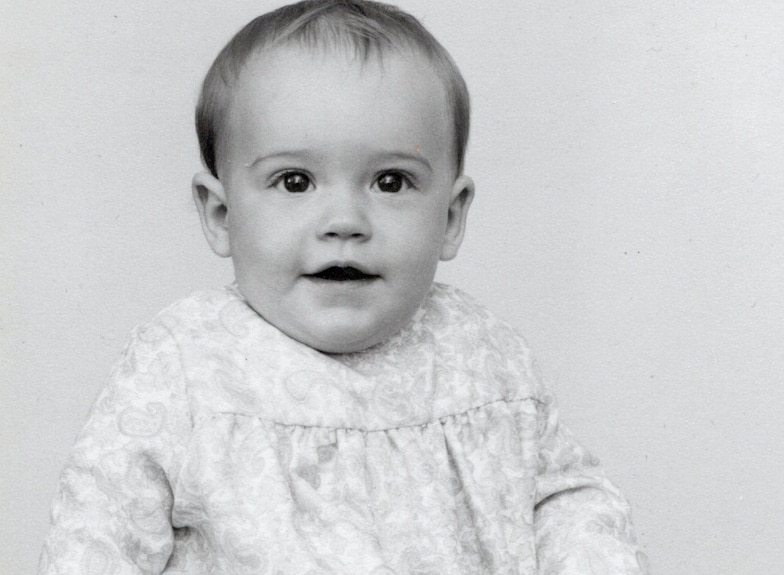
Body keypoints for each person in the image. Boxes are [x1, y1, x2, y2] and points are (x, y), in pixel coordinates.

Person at [38, 1, 648, 573]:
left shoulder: (483, 353)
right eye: (295, 181)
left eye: (390, 182)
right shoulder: (188, 362)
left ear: (451, 217)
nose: (345, 222)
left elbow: (564, 497)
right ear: (221, 215)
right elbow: (98, 531)